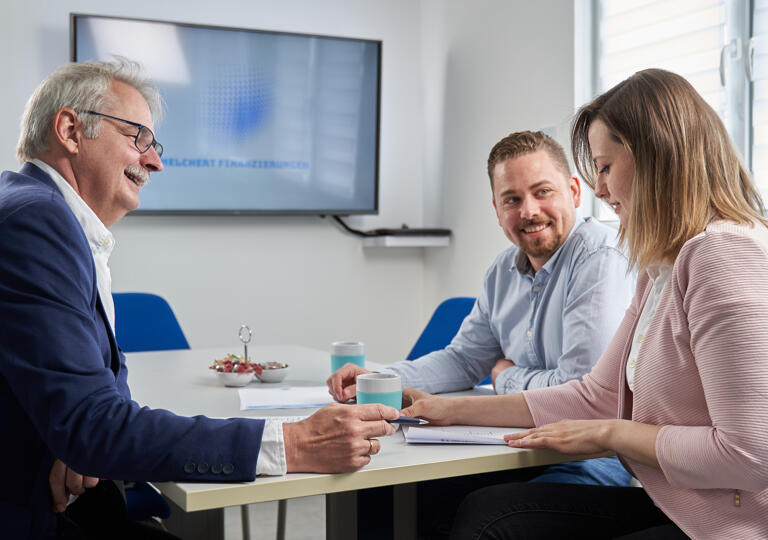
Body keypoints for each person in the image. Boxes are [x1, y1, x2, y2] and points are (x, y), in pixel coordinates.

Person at [0, 58, 397, 540]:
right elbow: (95, 422)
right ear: (70, 129)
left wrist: (67, 433)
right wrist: (291, 442)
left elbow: (95, 396)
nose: (155, 161)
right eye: (137, 138)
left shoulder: (37, 210)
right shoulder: (35, 223)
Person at [402, 68, 768, 539]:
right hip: (678, 504)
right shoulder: (661, 265)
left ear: (656, 159)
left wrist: (611, 433)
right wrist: (447, 410)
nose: (600, 189)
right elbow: (597, 396)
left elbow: (751, 456)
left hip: (738, 524)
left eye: (605, 166)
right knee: (488, 511)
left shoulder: (724, 254)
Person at [328, 131, 635, 536]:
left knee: (483, 517)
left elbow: (578, 393)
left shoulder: (599, 258)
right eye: (512, 199)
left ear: (575, 192)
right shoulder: (502, 270)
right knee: (376, 492)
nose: (529, 211)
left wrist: (504, 376)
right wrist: (381, 379)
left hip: (587, 455)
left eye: (543, 192)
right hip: (512, 444)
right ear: (496, 208)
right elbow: (464, 358)